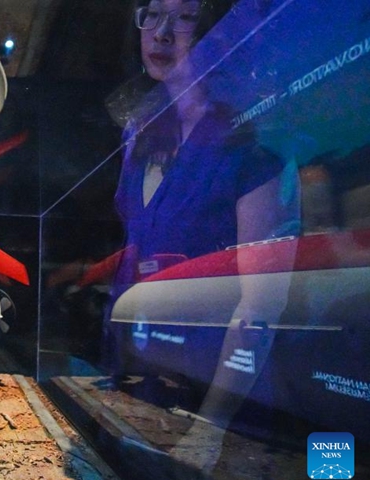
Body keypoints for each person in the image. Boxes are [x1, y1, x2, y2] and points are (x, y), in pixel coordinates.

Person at [102, 0, 300, 474]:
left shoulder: (252, 149)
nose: (162, 33)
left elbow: (259, 310)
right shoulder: (141, 137)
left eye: (185, 16)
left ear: (219, 33)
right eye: (152, 13)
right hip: (144, 388)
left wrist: (209, 430)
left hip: (221, 409)